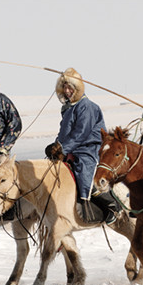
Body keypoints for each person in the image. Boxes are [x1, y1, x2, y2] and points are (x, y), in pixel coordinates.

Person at [45, 68, 118, 225]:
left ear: (77, 88)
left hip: (88, 148)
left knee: (83, 172)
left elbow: (81, 132)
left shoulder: (87, 106)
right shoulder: (68, 109)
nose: (67, 91)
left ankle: (111, 205)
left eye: (71, 87)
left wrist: (62, 148)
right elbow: (64, 133)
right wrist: (56, 146)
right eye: (65, 87)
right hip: (71, 149)